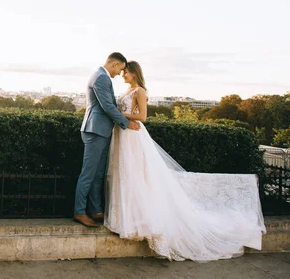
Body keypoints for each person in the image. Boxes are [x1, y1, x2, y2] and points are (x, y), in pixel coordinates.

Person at [104, 60, 266, 261]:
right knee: (124, 173)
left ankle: (136, 220)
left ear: (134, 74)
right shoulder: (127, 90)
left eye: (126, 72)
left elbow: (143, 116)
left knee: (135, 174)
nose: (123, 75)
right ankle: (125, 218)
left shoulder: (140, 91)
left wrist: (118, 113)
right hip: (123, 133)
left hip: (133, 134)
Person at [74, 52, 141, 228]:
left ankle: (95, 210)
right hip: (95, 130)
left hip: (100, 130)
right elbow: (107, 106)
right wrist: (126, 123)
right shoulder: (102, 77)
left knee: (97, 174)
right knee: (88, 174)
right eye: (120, 69)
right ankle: (79, 212)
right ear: (115, 64)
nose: (120, 73)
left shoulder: (101, 75)